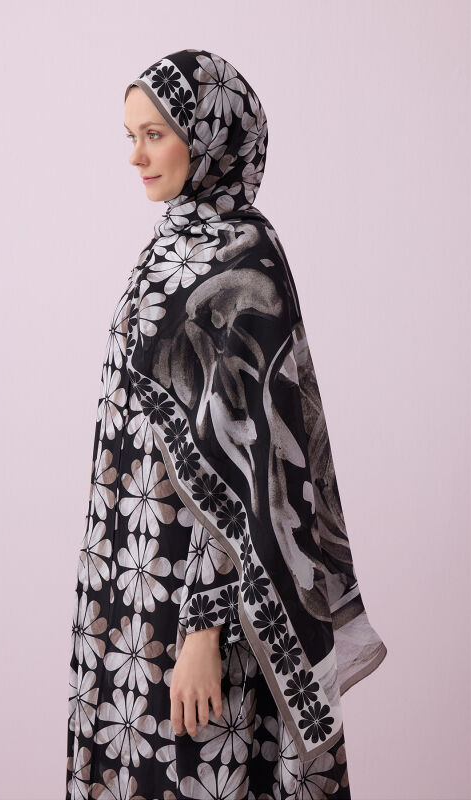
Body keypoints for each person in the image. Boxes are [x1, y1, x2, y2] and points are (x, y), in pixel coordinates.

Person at [66, 48, 387, 800]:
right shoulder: (168, 244)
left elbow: (253, 465)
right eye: (130, 136)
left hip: (200, 594)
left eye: (154, 135)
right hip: (129, 575)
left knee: (202, 773)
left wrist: (203, 631)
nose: (136, 156)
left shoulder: (246, 261)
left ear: (208, 136)